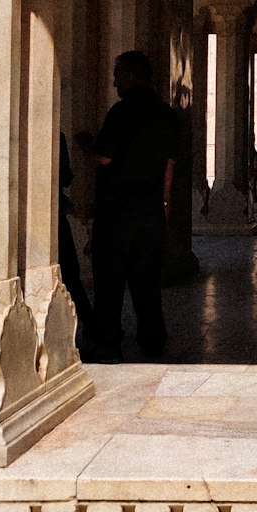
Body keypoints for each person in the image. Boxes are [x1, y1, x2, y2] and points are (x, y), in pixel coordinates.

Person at [81, 50, 179, 360]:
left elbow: (105, 157)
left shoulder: (121, 112)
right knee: (146, 282)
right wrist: (164, 202)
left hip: (117, 214)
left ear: (130, 76)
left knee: (110, 281)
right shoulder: (166, 114)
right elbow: (169, 163)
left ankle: (108, 338)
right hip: (149, 213)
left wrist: (85, 145)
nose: (114, 81)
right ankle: (152, 337)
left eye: (118, 74)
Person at [58, 131, 93, 337]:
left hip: (50, 212)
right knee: (71, 274)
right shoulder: (58, 136)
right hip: (55, 214)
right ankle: (91, 323)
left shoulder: (58, 136)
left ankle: (90, 323)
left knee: (70, 274)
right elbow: (66, 176)